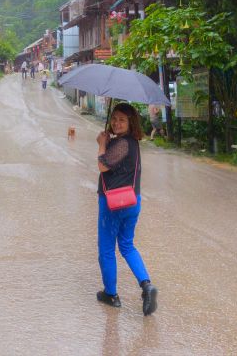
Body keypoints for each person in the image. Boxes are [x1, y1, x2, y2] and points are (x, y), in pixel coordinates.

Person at [95, 103, 158, 315]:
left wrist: (102, 143)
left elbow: (103, 165)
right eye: (114, 118)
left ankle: (111, 294)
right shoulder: (131, 143)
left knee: (106, 249)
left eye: (122, 119)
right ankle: (146, 285)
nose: (116, 122)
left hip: (114, 203)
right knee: (127, 245)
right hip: (133, 201)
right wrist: (108, 141)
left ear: (131, 122)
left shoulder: (122, 144)